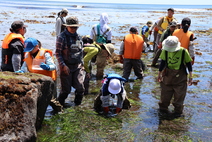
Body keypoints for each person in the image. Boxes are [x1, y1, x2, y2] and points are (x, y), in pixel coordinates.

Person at [15, 38, 62, 111]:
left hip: (49, 80)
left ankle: (58, 111)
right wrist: (21, 71)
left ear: (36, 46)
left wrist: (47, 67)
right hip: (37, 81)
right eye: (27, 49)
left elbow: (53, 66)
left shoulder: (45, 54)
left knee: (52, 100)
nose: (29, 51)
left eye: (30, 49)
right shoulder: (27, 55)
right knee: (39, 98)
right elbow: (24, 67)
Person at [157, 36, 193, 118]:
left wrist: (191, 77)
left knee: (179, 97)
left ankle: (177, 112)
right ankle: (163, 110)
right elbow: (162, 63)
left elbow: (189, 64)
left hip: (180, 77)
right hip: (168, 76)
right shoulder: (165, 51)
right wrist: (159, 74)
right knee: (165, 95)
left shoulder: (183, 51)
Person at [56, 16, 85, 107]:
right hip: (66, 66)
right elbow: (57, 53)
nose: (73, 29)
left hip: (77, 66)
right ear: (66, 26)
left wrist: (82, 64)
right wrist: (63, 66)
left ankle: (77, 106)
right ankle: (59, 106)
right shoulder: (61, 37)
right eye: (71, 27)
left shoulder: (79, 37)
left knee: (80, 87)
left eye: (75, 27)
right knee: (66, 90)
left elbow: (81, 52)